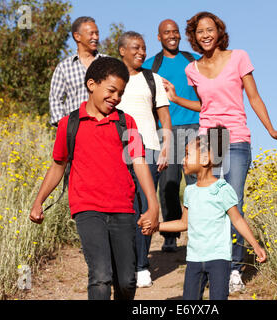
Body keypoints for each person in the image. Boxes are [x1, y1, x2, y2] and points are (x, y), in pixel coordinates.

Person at [162, 11, 277, 293]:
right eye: (199, 31)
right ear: (193, 37)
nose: (205, 34)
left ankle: (232, 268)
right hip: (211, 137)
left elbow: (253, 97)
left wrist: (271, 129)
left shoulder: (239, 57)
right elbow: (205, 106)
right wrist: (175, 98)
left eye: (210, 29)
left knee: (234, 200)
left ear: (219, 32)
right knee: (207, 197)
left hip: (237, 135)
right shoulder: (191, 70)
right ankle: (207, 260)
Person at [29, 57, 160, 300]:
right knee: (100, 276)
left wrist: (153, 205)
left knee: (127, 281)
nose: (116, 98)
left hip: (124, 209)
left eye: (120, 93)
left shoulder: (125, 122)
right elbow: (58, 166)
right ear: (92, 84)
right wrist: (38, 201)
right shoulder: (70, 124)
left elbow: (140, 163)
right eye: (111, 90)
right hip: (88, 209)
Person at [140, 127, 267, 300]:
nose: (183, 159)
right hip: (194, 259)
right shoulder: (190, 192)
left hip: (219, 259)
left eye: (187, 154)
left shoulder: (222, 189)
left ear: (206, 159)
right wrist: (157, 226)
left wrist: (255, 246)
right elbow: (184, 223)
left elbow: (237, 220)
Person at [116, 31, 172, 288]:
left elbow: (164, 118)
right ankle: (124, 263)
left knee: (145, 207)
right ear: (122, 51)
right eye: (135, 48)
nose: (141, 52)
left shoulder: (154, 79)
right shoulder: (113, 79)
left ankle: (142, 266)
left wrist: (166, 148)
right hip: (117, 149)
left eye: (143, 48)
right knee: (122, 210)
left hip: (149, 148)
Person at [142, 19, 200, 253]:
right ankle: (170, 234)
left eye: (175, 32)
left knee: (198, 182)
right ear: (159, 37)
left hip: (196, 127)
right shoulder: (150, 65)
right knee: (169, 183)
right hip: (167, 130)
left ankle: (198, 231)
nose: (172, 35)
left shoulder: (192, 61)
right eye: (167, 32)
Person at [49, 16, 106, 126]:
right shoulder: (64, 67)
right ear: (77, 36)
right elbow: (55, 99)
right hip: (75, 129)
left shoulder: (108, 63)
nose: (95, 37)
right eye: (91, 33)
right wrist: (64, 125)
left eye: (97, 33)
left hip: (103, 128)